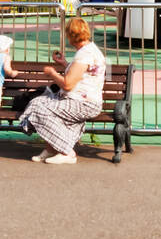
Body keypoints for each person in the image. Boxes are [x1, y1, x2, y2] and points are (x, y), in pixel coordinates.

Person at [19, 17, 107, 165]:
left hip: (84, 103)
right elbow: (83, 74)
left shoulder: (84, 54)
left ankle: (67, 152)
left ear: (71, 35)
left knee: (41, 110)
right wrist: (65, 63)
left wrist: (52, 73)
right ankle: (51, 148)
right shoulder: (89, 50)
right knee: (37, 102)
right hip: (81, 100)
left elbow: (67, 84)